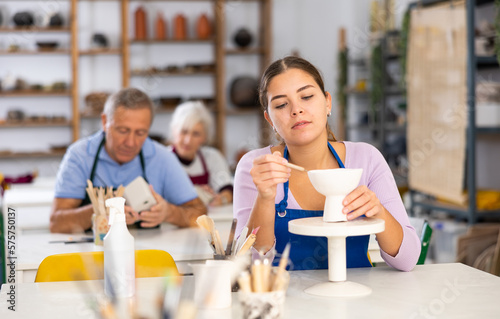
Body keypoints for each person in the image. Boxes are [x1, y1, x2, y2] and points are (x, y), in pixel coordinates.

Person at [233, 56, 421, 271]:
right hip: (284, 300)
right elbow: (247, 266)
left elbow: (407, 261)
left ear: (327, 102)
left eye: (306, 96)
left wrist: (378, 211)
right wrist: (265, 198)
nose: (296, 110)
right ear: (270, 120)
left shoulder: (366, 158)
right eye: (282, 104)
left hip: (361, 300)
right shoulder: (256, 167)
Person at [51, 88, 207, 233]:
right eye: (123, 131)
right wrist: (99, 211)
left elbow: (200, 216)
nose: (131, 142)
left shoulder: (162, 158)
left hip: (147, 255)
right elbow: (57, 223)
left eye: (140, 133)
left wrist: (170, 213)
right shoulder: (80, 156)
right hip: (91, 254)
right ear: (105, 122)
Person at [168, 100, 233, 206]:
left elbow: (228, 190)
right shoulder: (163, 158)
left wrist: (220, 199)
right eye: (184, 132)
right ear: (174, 132)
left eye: (196, 134)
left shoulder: (212, 157)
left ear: (204, 137)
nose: (188, 140)